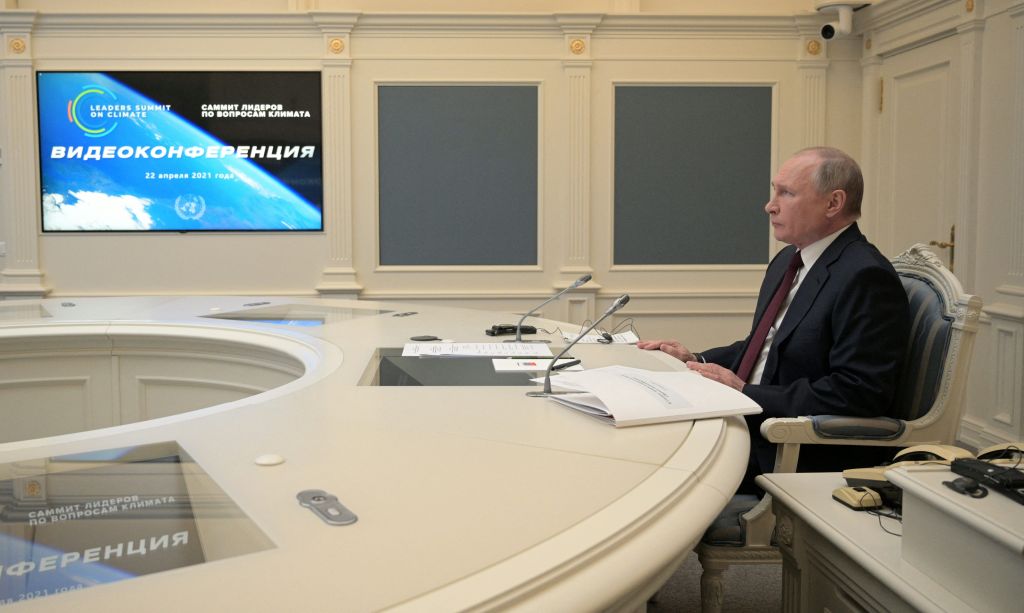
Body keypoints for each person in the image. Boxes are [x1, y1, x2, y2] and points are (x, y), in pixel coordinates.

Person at [638, 146, 910, 491]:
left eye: (787, 193)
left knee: (649, 465)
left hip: (791, 447)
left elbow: (859, 392)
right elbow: (765, 347)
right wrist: (697, 360)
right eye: (774, 191)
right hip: (748, 419)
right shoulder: (788, 261)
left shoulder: (865, 275)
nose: (770, 205)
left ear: (833, 203)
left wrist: (747, 393)